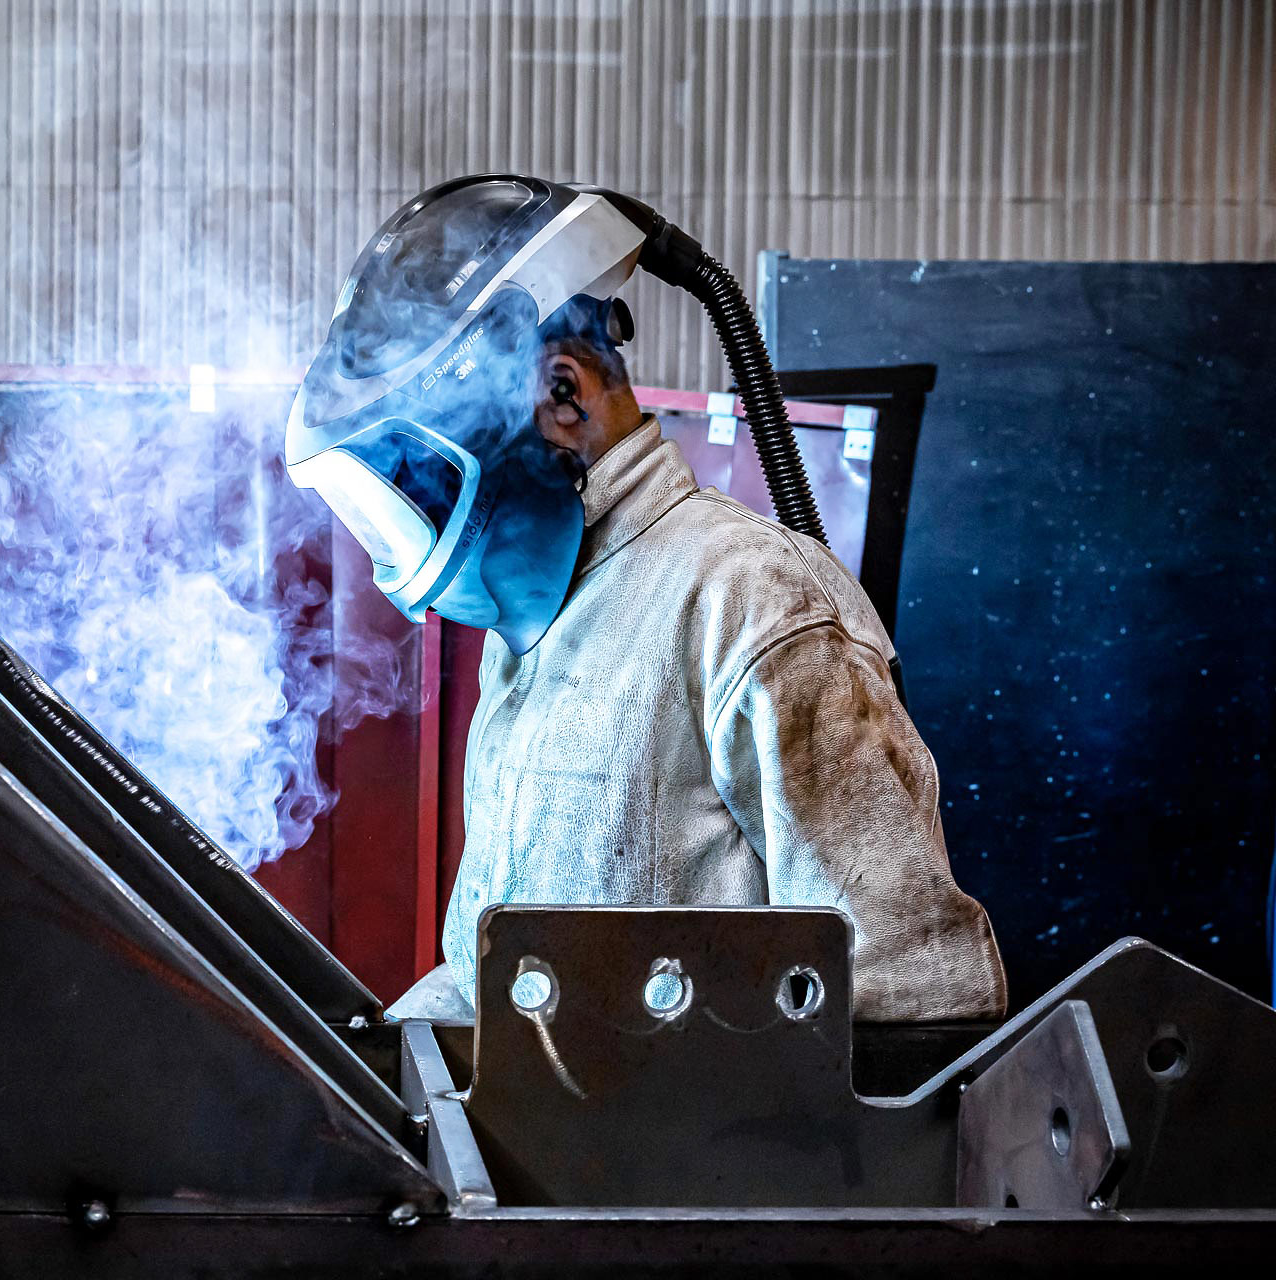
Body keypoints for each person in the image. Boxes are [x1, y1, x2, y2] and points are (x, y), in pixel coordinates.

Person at [286, 176, 1006, 1022]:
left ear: (561, 395)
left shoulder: (749, 599)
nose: (402, 558)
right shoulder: (538, 633)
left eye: (421, 481)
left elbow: (919, 995)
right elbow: (492, 983)